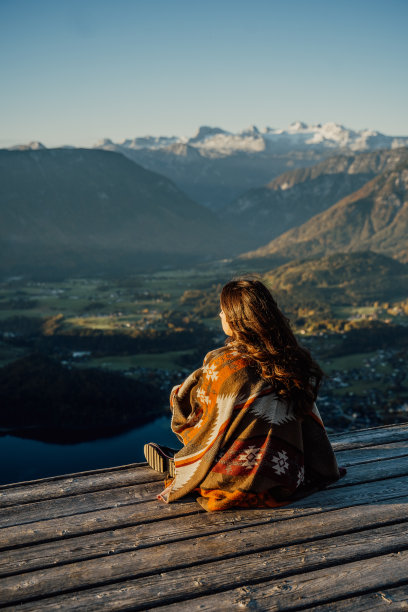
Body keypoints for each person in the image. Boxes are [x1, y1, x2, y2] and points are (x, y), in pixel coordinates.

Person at [144, 279, 345, 512]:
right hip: (285, 475)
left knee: (203, 430)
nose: (220, 314)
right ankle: (186, 462)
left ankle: (185, 464)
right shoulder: (293, 363)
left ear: (235, 318)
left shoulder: (223, 365)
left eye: (223, 310)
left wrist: (179, 395)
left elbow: (202, 421)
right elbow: (309, 428)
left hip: (231, 479)